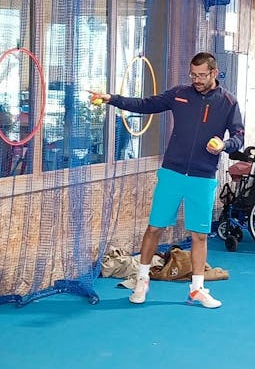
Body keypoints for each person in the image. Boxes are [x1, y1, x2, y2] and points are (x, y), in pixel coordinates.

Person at [98, 52, 244, 308]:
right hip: (172, 174)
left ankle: (197, 289)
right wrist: (112, 99)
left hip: (203, 177)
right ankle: (142, 280)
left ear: (214, 72)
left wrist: (223, 144)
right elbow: (144, 104)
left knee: (199, 236)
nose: (196, 80)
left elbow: (239, 137)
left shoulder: (228, 102)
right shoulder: (180, 94)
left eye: (201, 75)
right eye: (193, 75)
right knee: (154, 228)